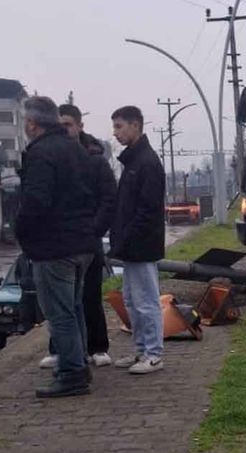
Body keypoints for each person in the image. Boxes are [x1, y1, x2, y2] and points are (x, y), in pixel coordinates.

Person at [15, 96, 96, 398]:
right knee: (73, 310)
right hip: (82, 244)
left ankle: (72, 373)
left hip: (54, 247)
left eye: (25, 121)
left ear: (32, 123)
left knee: (60, 314)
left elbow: (36, 201)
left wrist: (19, 230)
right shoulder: (75, 149)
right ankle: (79, 366)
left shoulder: (40, 154)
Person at [35, 104, 115, 369]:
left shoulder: (94, 159)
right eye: (61, 124)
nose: (64, 129)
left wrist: (95, 230)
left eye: (68, 124)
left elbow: (108, 200)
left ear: (80, 125)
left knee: (89, 296)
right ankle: (62, 350)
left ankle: (97, 346)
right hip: (62, 240)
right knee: (62, 302)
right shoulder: (53, 156)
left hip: (87, 239)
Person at [109, 106, 166, 374]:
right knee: (132, 300)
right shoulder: (134, 161)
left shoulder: (147, 163)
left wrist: (128, 235)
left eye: (120, 126)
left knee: (146, 301)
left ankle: (153, 354)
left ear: (135, 125)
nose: (116, 133)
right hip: (132, 245)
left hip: (142, 246)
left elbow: (147, 209)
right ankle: (142, 349)